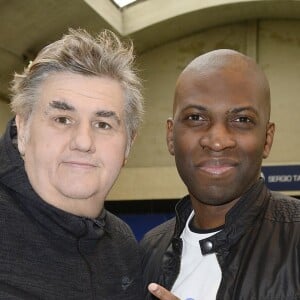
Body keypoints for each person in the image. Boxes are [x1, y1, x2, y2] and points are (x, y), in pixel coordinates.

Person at [140, 49, 300, 300]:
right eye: (195, 117)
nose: (217, 141)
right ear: (171, 136)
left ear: (267, 139)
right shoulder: (149, 249)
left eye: (242, 120)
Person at [0, 28, 144, 299]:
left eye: (103, 124)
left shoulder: (123, 248)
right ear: (23, 127)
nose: (83, 141)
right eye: (62, 119)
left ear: (128, 144)